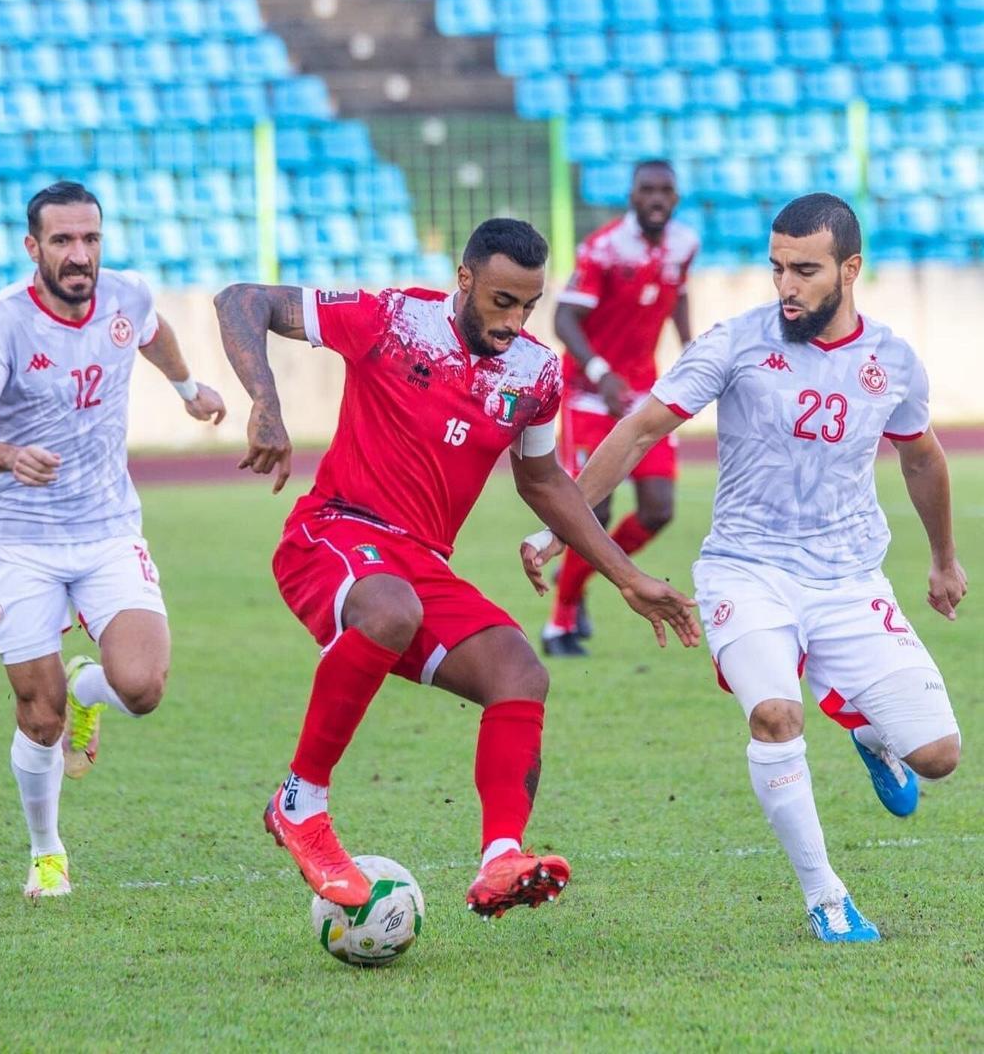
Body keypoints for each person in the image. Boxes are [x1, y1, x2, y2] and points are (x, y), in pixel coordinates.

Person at [214, 218, 701, 918]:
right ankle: (301, 803)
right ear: (465, 280)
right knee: (391, 611)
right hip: (335, 531)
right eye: (502, 301)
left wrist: (626, 575)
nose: (515, 321)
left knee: (519, 671)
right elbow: (241, 300)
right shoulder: (392, 320)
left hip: (419, 565)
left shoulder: (535, 372)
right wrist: (265, 401)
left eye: (528, 306)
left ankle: (502, 857)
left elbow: (542, 481)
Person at [521, 194, 964, 941]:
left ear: (850, 270)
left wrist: (945, 560)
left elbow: (921, 456)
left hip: (851, 579)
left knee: (940, 756)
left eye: (805, 269)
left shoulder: (891, 360)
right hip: (746, 571)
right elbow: (637, 432)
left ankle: (867, 731)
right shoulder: (735, 343)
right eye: (776, 267)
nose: (786, 285)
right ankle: (827, 898)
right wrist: (560, 526)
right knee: (775, 714)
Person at [0, 181, 226, 899]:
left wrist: (189, 386)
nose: (80, 255)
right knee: (39, 717)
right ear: (33, 247)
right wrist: (10, 456)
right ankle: (47, 852)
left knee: (144, 685)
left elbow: (154, 329)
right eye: (63, 241)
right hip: (20, 539)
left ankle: (87, 689)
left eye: (90, 239)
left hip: (106, 527)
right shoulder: (0, 326)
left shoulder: (127, 296)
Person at [543, 160, 699, 656]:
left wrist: (693, 351)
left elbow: (675, 297)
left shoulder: (684, 244)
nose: (656, 198)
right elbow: (563, 319)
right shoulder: (604, 249)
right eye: (647, 190)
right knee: (594, 506)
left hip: (644, 394)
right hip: (591, 393)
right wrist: (600, 372)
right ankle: (560, 623)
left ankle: (582, 579)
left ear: (675, 198)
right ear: (632, 196)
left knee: (658, 510)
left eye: (665, 191)